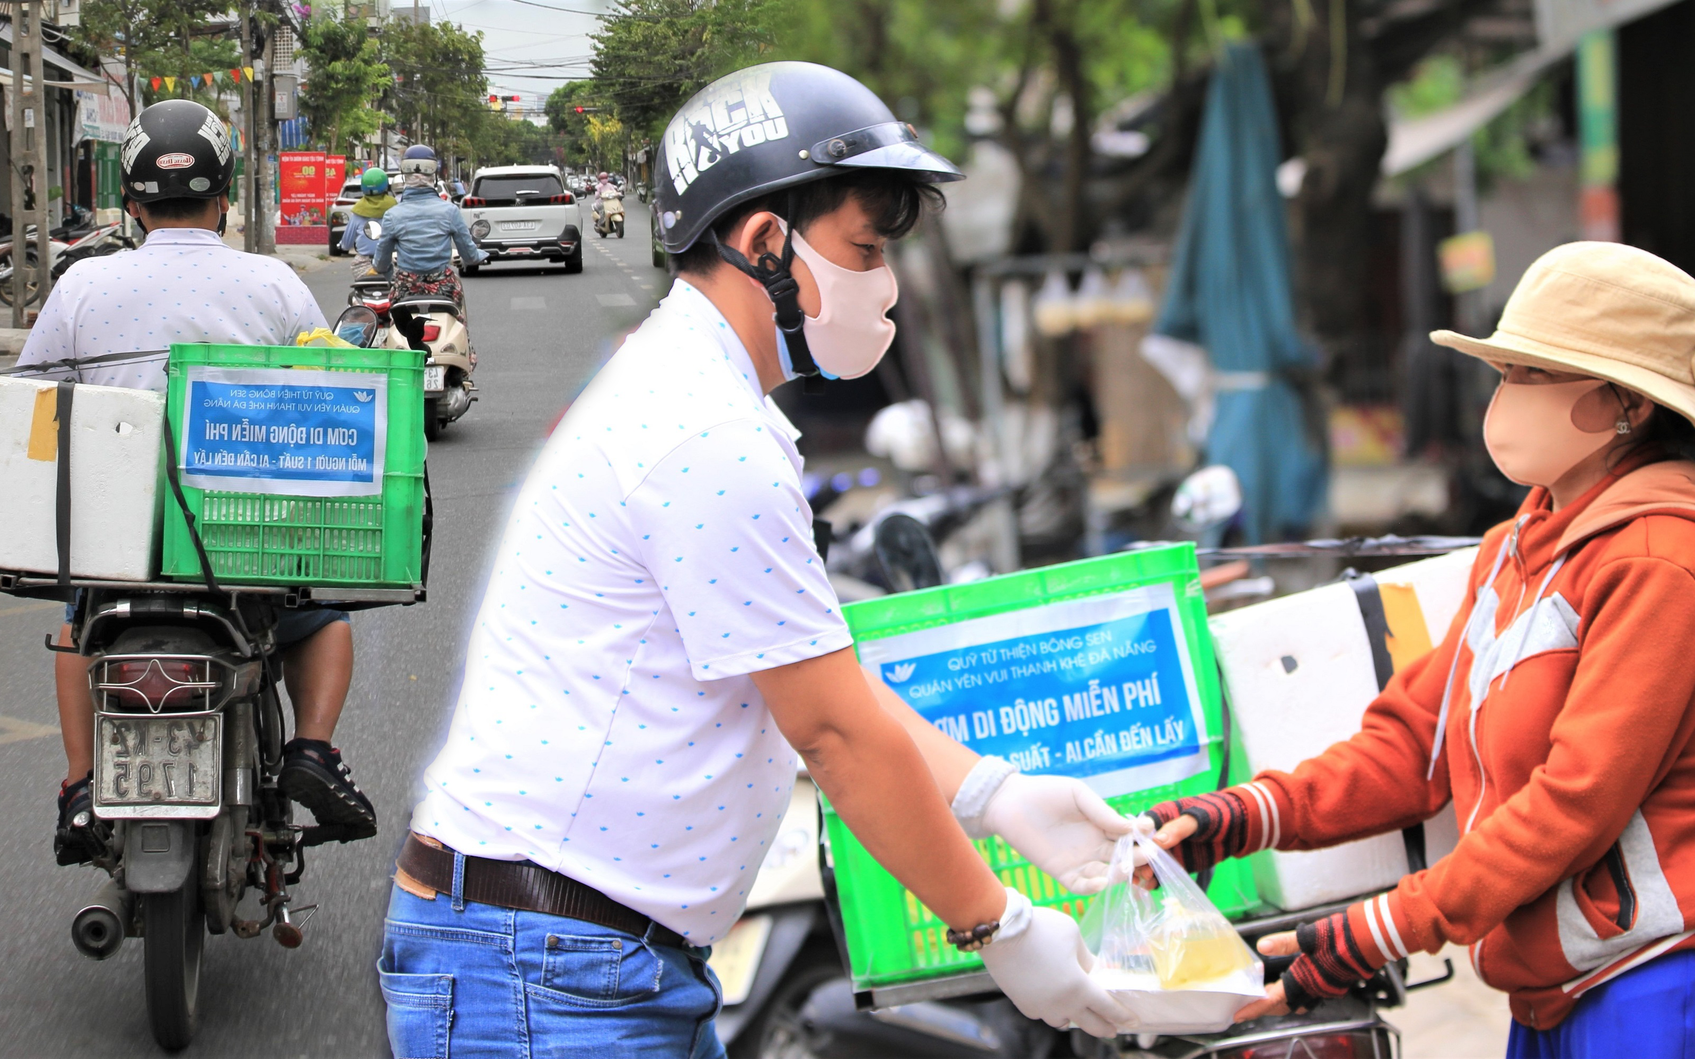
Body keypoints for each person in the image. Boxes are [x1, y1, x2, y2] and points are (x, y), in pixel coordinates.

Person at [378, 61, 1138, 1056]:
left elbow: (809, 679)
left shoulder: (695, 391)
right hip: (545, 975)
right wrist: (998, 924)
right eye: (865, 248)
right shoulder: (705, 432)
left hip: (585, 959)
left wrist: (995, 796)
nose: (887, 284)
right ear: (766, 242)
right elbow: (832, 733)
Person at [1143, 241, 1695, 1056]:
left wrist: (1380, 927)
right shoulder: (1518, 547)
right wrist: (1240, 814)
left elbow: (1572, 804)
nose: (1505, 395)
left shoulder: (1657, 560)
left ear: (1627, 404)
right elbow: (1415, 745)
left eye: (1532, 374)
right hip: (1548, 987)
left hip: (1650, 985)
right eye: (1503, 370)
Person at [16, 99, 380, 863]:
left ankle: (82, 784)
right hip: (239, 535)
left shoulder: (81, 285)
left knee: (74, 627)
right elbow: (327, 393)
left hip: (114, 543)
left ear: (131, 200)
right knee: (321, 617)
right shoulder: (273, 283)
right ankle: (312, 748)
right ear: (224, 197)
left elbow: (32, 404)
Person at [372, 145, 486, 313]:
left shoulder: (392, 216)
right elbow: (470, 257)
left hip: (406, 291)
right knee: (459, 325)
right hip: (444, 290)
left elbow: (381, 264)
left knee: (394, 327)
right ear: (434, 175)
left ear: (404, 175)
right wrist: (481, 254)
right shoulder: (450, 211)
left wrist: (389, 272)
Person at [340, 166, 397, 276]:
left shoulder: (358, 210)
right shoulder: (394, 207)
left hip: (362, 265)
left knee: (357, 291)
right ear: (385, 186)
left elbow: (346, 244)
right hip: (389, 263)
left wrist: (344, 247)